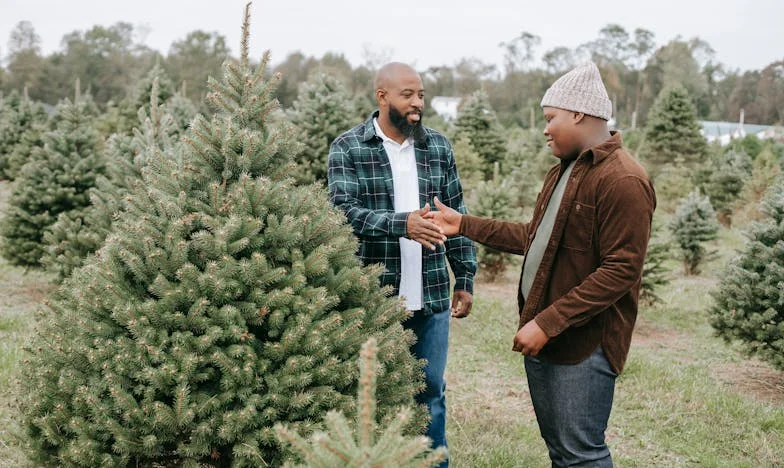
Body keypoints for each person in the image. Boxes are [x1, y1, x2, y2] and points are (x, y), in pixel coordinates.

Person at [426, 62, 656, 467]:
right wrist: (462, 224)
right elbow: (536, 238)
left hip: (584, 347)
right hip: (551, 339)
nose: (545, 129)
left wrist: (547, 322)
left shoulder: (622, 180)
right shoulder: (565, 171)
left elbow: (622, 270)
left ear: (579, 114)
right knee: (563, 453)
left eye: (551, 118)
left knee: (581, 455)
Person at [327, 62, 477, 464]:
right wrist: (402, 225)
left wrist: (464, 275)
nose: (417, 103)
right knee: (368, 394)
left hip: (430, 294)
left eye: (422, 95)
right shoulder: (349, 147)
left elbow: (456, 214)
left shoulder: (438, 147)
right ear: (383, 97)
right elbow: (342, 211)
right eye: (408, 95)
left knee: (431, 390)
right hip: (375, 297)